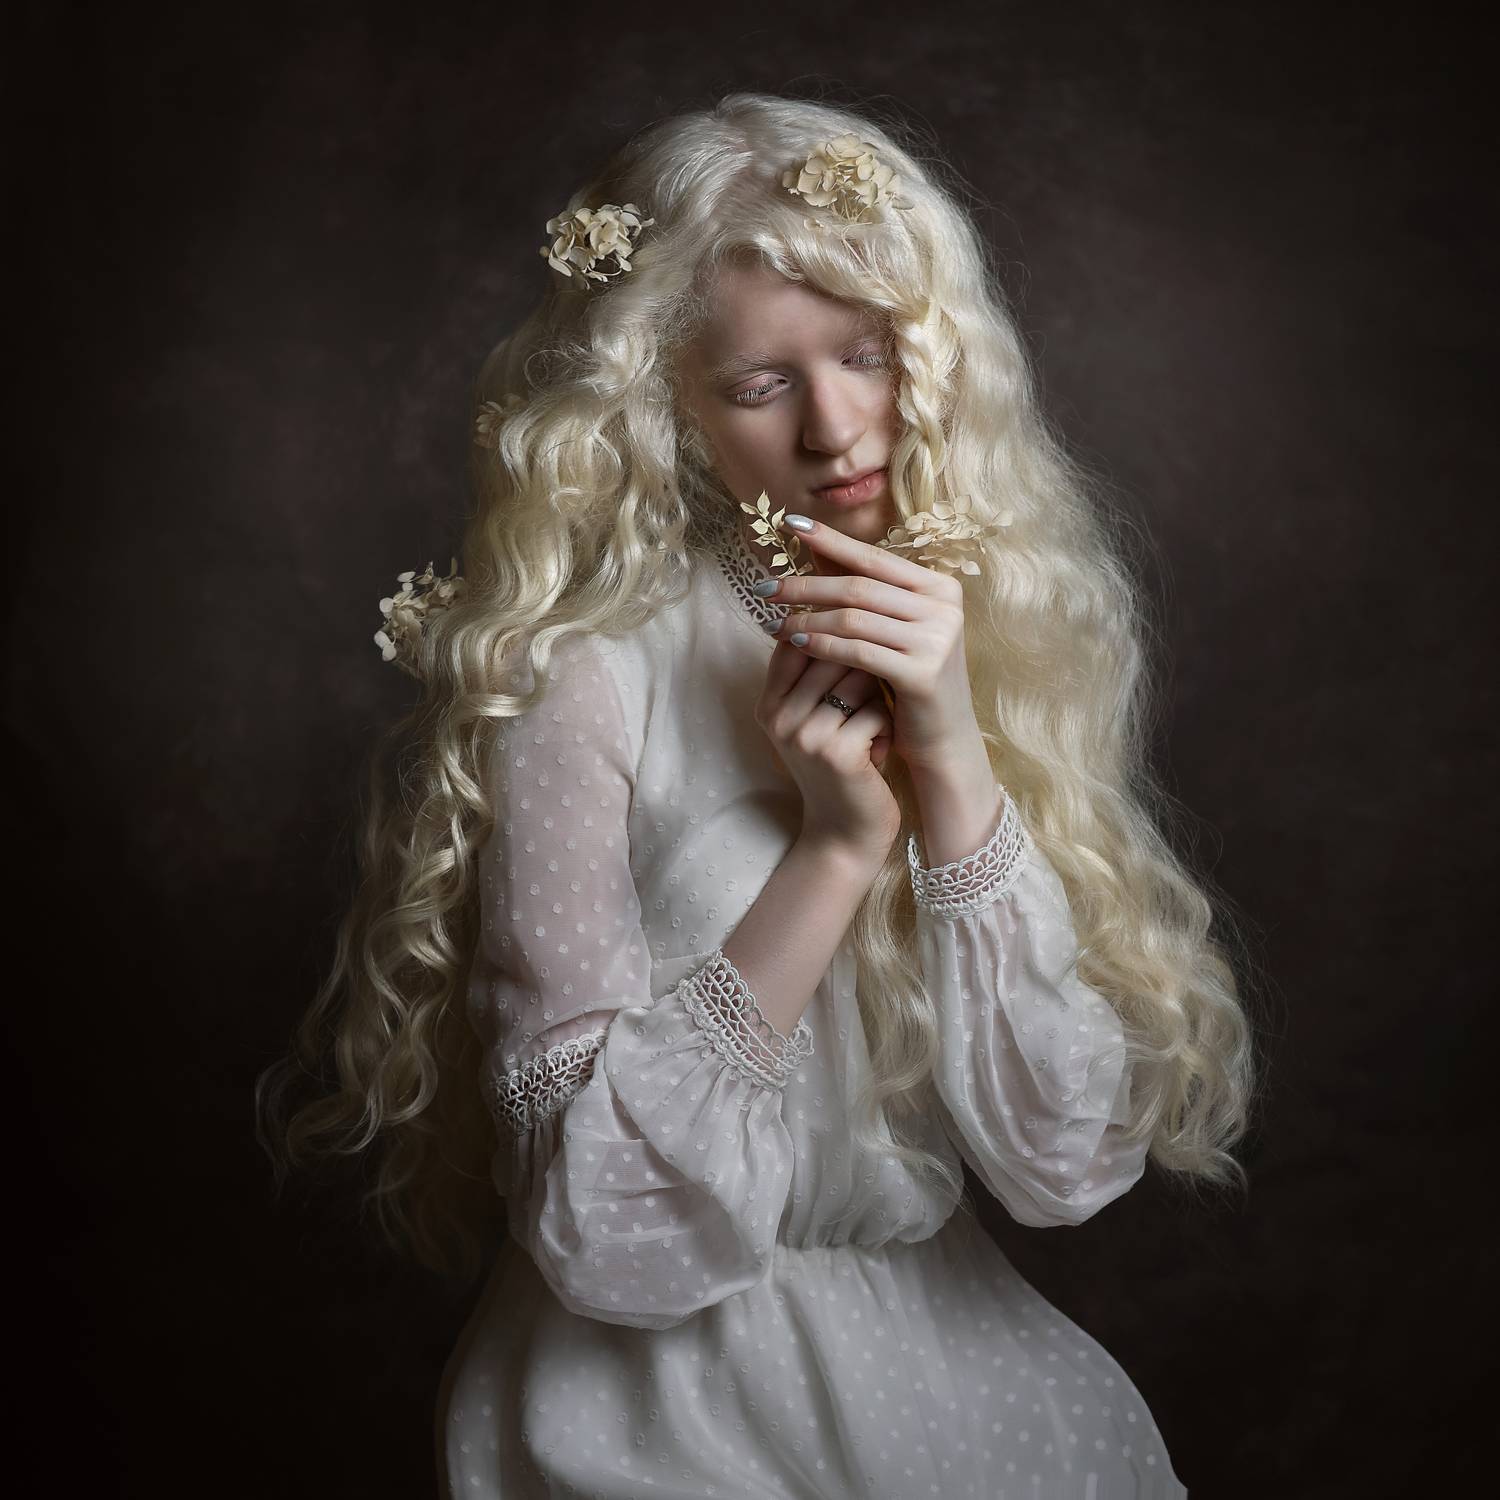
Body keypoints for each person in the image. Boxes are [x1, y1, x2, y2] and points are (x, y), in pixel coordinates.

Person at [257, 92, 1259, 1498]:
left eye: (869, 354)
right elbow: (604, 1228)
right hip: (665, 1401)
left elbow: (1066, 1160)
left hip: (955, 1373)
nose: (838, 429)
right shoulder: (586, 676)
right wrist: (837, 850)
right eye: (758, 384)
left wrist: (953, 758)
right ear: (667, 402)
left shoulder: (995, 634)